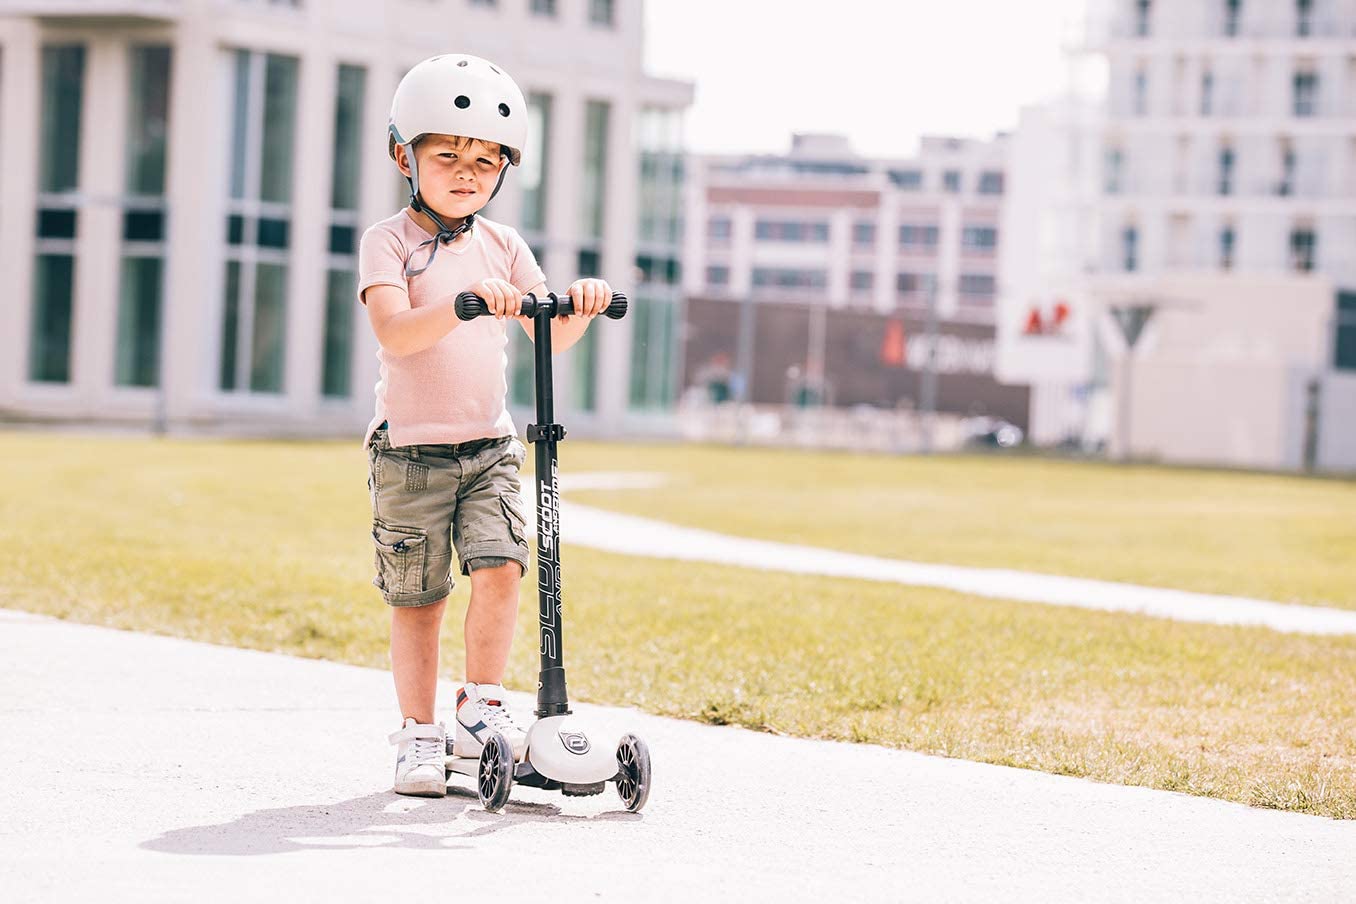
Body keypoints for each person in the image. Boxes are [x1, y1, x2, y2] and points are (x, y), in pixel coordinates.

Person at [358, 53, 612, 797]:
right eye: (448, 156)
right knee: (421, 599)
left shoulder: (504, 246)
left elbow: (547, 335)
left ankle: (481, 710)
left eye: (486, 160)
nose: (468, 173)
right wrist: (465, 298)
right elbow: (395, 335)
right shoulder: (390, 241)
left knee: (501, 571)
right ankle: (418, 733)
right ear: (406, 155)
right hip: (410, 454)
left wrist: (579, 308)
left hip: (491, 449)